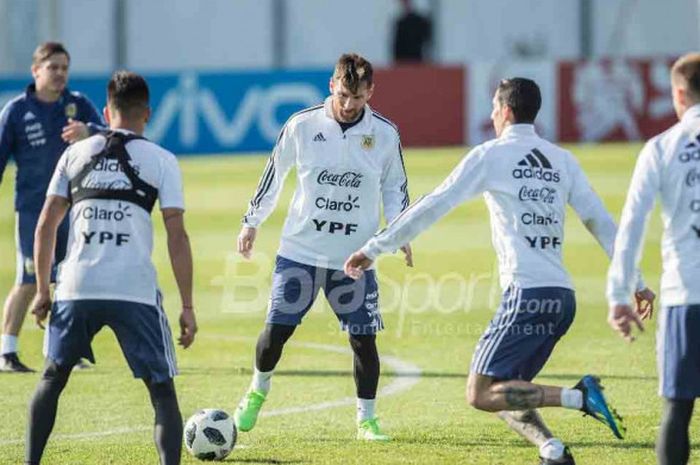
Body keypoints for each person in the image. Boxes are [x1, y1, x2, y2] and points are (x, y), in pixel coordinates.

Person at [344, 78, 655, 464]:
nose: (491, 114)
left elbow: (434, 205)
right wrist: (637, 282)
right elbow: (603, 224)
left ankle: (580, 396)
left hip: (527, 295)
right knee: (506, 387)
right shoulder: (561, 160)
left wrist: (373, 248)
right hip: (562, 298)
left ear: (505, 112)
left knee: (480, 392)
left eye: (494, 107)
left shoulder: (491, 156)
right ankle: (552, 450)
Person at [234, 53, 411, 441]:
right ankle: (256, 392)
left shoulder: (385, 134)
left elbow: (395, 188)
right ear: (332, 85)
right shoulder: (302, 125)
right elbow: (274, 175)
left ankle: (366, 420)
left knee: (363, 339)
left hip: (355, 258)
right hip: (299, 251)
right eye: (344, 95)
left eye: (358, 98)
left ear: (371, 93)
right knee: (276, 333)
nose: (349, 105)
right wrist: (252, 222)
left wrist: (401, 232)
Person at [25, 71, 197, 465]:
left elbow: (46, 225)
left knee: (52, 377)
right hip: (132, 289)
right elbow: (177, 236)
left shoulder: (75, 154)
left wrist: (42, 290)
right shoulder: (162, 160)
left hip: (76, 284)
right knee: (161, 390)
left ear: (106, 111)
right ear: (148, 113)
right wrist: (187, 306)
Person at [606, 52, 700, 465]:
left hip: (686, 295)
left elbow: (631, 227)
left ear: (679, 92)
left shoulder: (662, 147)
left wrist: (619, 295)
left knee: (678, 410)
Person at [0, 42, 103, 372]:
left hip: (74, 208)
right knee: (30, 278)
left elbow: (111, 138)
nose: (60, 74)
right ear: (36, 71)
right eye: (53, 67)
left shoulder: (78, 105)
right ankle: (6, 352)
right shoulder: (16, 112)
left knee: (69, 278)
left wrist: (89, 132)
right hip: (33, 209)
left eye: (64, 68)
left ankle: (59, 351)